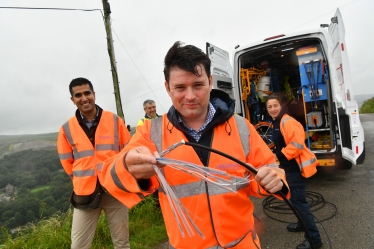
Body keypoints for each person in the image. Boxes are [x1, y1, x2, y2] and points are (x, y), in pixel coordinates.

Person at [101, 41, 290, 249]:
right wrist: (128, 166)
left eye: (198, 85)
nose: (190, 96)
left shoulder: (240, 127)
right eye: (180, 87)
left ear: (210, 82)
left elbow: (269, 168)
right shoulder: (150, 133)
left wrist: (274, 181)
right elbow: (109, 176)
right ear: (167, 88)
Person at [57, 77, 131, 249]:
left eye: (87, 93)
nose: (84, 98)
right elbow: (67, 162)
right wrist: (81, 180)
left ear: (94, 94)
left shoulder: (114, 121)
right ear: (72, 99)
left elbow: (127, 153)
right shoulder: (66, 128)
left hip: (114, 190)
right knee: (79, 246)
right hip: (85, 195)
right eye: (78, 95)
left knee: (122, 244)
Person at [265, 94, 322, 249]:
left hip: (294, 170)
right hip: (287, 169)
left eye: (275, 105)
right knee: (295, 201)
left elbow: (297, 145)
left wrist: (278, 155)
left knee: (299, 203)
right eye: (269, 107)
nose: (272, 109)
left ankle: (314, 240)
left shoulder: (287, 121)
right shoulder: (277, 122)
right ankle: (301, 224)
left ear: (281, 105)